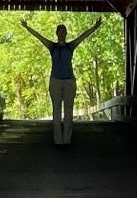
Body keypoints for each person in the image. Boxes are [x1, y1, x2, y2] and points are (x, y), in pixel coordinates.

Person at [20, 16, 104, 147]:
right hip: (55, 82)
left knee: (69, 111)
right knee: (57, 111)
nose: (62, 34)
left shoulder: (71, 46)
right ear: (56, 33)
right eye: (59, 31)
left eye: (64, 31)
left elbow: (83, 36)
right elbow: (39, 36)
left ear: (66, 33)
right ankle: (58, 141)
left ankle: (67, 140)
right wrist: (27, 27)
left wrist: (95, 27)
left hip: (69, 81)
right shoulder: (52, 47)